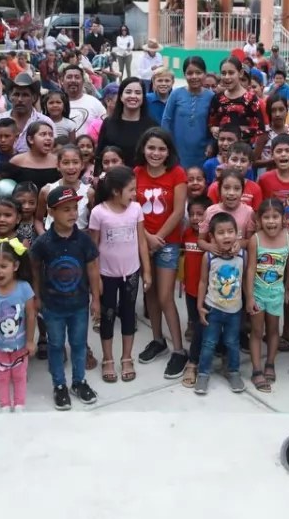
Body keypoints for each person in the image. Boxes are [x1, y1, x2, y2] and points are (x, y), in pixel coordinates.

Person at [32, 185, 100, 411]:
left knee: (79, 344)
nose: (72, 214)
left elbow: (92, 269)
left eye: (74, 208)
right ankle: (59, 385)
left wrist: (96, 299)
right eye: (65, 209)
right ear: (51, 212)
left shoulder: (84, 240)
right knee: (56, 345)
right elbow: (34, 269)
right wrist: (36, 296)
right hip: (52, 306)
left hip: (79, 305)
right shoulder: (43, 242)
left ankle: (79, 382)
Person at [135, 128, 190, 375]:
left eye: (161, 149)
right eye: (151, 148)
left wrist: (158, 239)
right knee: (150, 292)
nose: (156, 153)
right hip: (143, 240)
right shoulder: (136, 173)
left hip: (167, 243)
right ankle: (158, 340)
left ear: (169, 152)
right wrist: (147, 238)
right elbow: (133, 209)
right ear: (143, 149)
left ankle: (179, 350)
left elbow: (178, 212)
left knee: (166, 296)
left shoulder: (177, 174)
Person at [89, 166, 151, 384]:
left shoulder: (136, 209)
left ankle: (126, 357)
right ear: (116, 191)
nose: (135, 194)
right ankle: (108, 358)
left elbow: (142, 242)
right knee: (107, 317)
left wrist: (147, 271)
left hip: (131, 273)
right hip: (106, 275)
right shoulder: (99, 213)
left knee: (128, 315)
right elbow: (93, 249)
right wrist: (96, 279)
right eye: (131, 190)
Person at [0, 238, 36, 412]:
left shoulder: (24, 288)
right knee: (1, 376)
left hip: (20, 345)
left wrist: (30, 341)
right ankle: (4, 405)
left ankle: (19, 405)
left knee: (19, 375)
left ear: (15, 266)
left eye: (3, 266)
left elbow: (31, 315)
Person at [193, 212, 248, 395]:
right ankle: (203, 373)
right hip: (213, 309)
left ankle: (233, 372)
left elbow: (245, 280)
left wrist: (249, 301)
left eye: (230, 231)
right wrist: (200, 306)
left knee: (232, 343)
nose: (226, 236)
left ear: (237, 234)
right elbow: (202, 282)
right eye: (221, 232)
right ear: (212, 236)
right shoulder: (209, 257)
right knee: (209, 343)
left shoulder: (243, 255)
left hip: (234, 310)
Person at [245, 198, 289, 392]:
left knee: (273, 331)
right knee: (257, 331)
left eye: (275, 217)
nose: (271, 221)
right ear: (259, 220)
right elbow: (250, 269)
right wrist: (249, 296)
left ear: (283, 219)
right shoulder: (255, 239)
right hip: (258, 293)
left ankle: (270, 363)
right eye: (266, 217)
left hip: (276, 294)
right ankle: (256, 369)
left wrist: (287, 289)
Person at [162, 56, 214, 169]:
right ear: (184, 74)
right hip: (177, 151)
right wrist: (167, 146)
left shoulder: (211, 97)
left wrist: (211, 144)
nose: (194, 76)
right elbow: (166, 120)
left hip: (203, 152)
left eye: (198, 73)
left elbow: (215, 124)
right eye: (190, 73)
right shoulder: (176, 94)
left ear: (205, 74)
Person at [95, 78, 157, 168]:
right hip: (113, 174)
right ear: (121, 96)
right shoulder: (108, 123)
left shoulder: (152, 126)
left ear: (143, 97)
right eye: (128, 92)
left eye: (138, 93)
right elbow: (100, 154)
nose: (133, 96)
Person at [209, 58, 264, 144]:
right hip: (221, 148)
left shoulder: (251, 99)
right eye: (223, 73)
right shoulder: (217, 98)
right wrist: (213, 129)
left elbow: (259, 128)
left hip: (242, 149)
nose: (227, 77)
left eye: (231, 73)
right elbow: (211, 123)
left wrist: (238, 133)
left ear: (240, 73)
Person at [59, 65, 106, 135]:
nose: (73, 80)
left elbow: (105, 126)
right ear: (62, 81)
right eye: (69, 77)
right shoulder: (55, 104)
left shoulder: (94, 103)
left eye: (77, 77)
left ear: (83, 81)